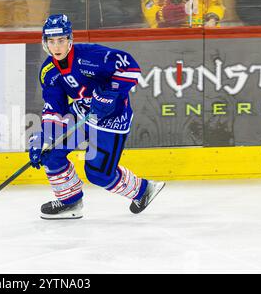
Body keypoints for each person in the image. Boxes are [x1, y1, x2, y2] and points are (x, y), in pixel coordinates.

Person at [29, 14, 165, 220]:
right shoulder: (49, 71)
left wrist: (109, 93)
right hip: (82, 112)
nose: (56, 46)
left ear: (70, 39)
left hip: (112, 118)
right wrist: (46, 137)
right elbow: (55, 108)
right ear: (45, 42)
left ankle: (143, 190)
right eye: (51, 41)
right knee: (49, 153)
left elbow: (131, 67)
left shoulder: (91, 55)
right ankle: (70, 201)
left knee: (98, 174)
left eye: (61, 40)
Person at [141, 0, 225, 28]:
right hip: (167, 31)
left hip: (201, 30)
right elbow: (148, 4)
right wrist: (159, 15)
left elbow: (215, 3)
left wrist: (212, 18)